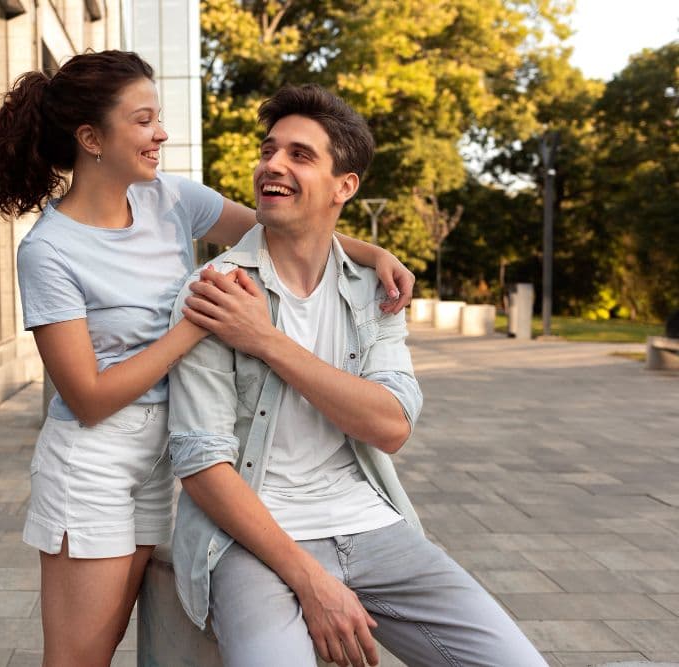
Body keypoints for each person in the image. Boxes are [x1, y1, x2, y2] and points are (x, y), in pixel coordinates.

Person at [0, 50, 414, 667]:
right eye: (144, 120)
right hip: (94, 465)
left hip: (162, 461)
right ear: (90, 138)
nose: (160, 133)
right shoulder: (49, 251)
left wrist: (374, 254)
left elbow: (281, 229)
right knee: (80, 658)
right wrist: (197, 324)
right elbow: (88, 397)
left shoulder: (170, 200)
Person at [169, 84, 545, 667]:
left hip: (372, 525)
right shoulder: (216, 292)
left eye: (300, 155)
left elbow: (390, 425)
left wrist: (266, 341)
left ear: (345, 187)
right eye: (269, 151)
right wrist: (313, 583)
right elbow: (201, 464)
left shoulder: (374, 290)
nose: (273, 165)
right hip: (252, 541)